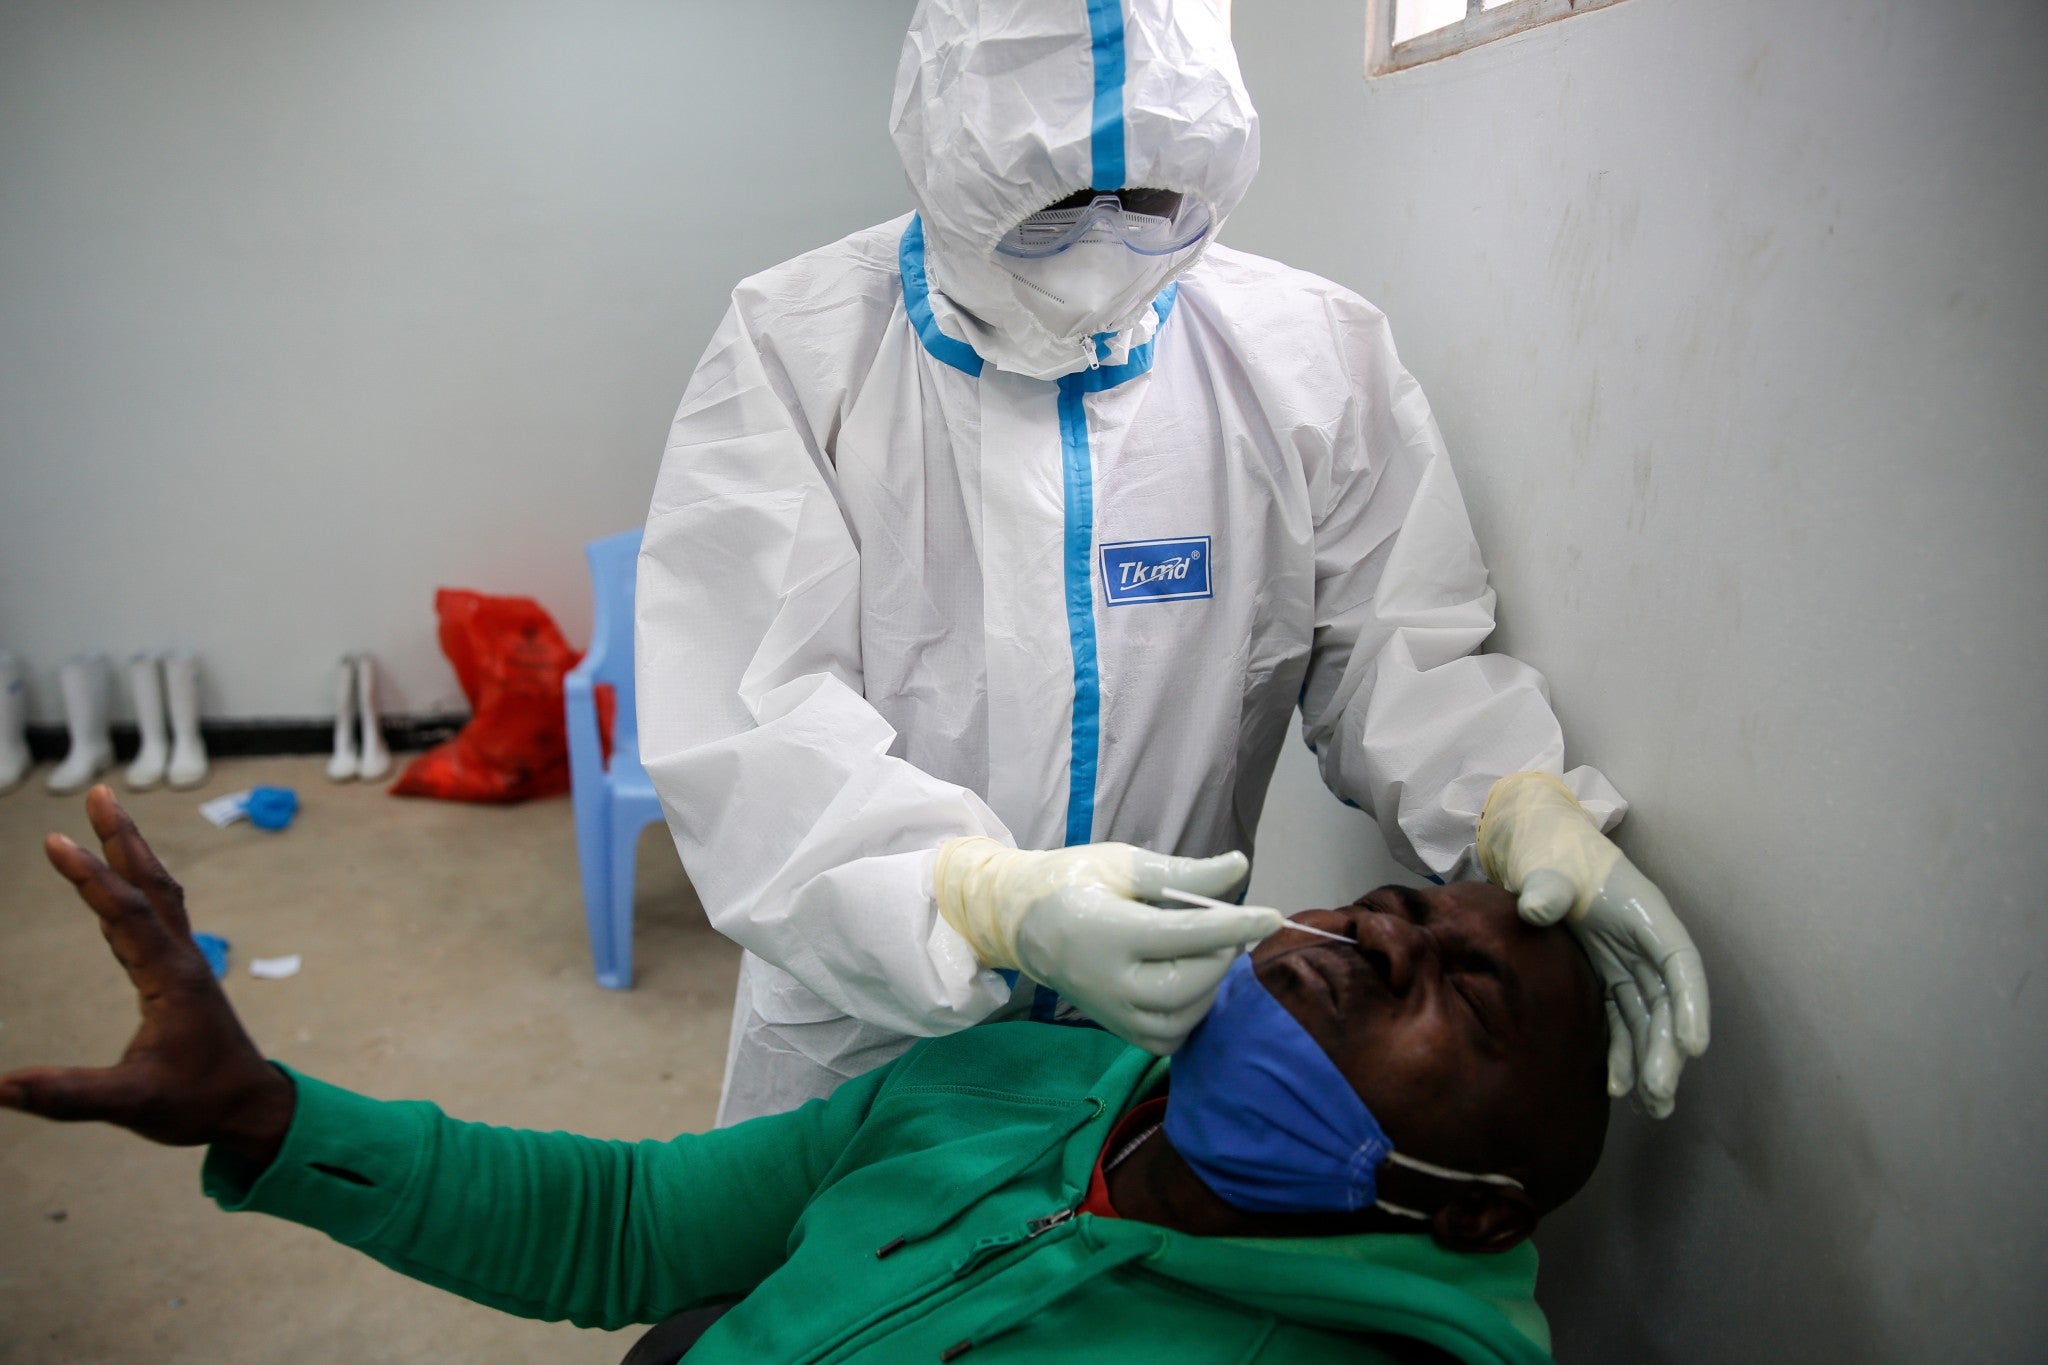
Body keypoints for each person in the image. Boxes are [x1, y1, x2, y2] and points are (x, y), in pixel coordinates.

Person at [635, 0, 1707, 1125]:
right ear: (949, 161)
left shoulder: (1312, 357)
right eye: (1050, 205)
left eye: (1147, 200)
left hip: (1149, 1036)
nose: (1102, 245)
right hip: (868, 1027)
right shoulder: (796, 347)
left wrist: (1513, 804)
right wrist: (977, 899)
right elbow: (750, 718)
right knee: (830, 1284)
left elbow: (1401, 654)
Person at [4, 789, 1609, 1364]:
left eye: (1465, 998)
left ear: (1472, 1216)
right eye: (1392, 906)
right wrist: (270, 1114)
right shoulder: (1009, 1085)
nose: (1384, 939)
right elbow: (625, 1225)